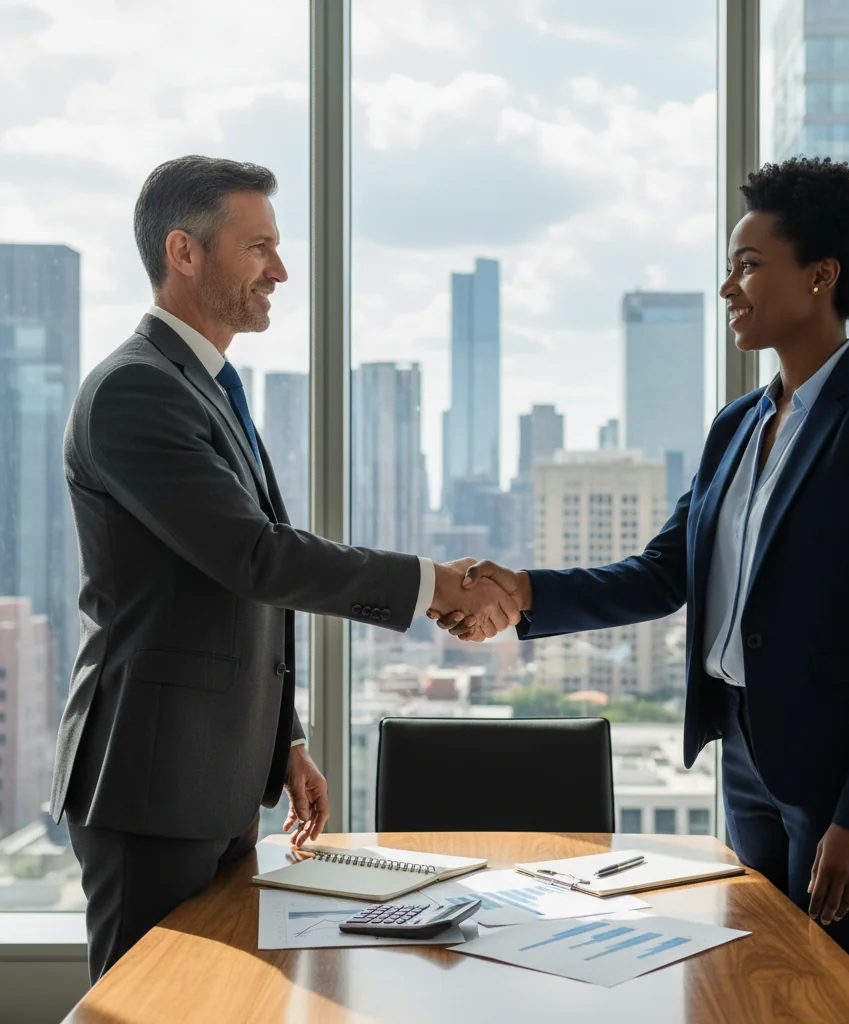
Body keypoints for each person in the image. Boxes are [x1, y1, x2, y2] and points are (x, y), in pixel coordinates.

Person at [431, 156, 849, 998]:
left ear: (821, 277)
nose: (728, 289)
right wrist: (524, 591)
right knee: (753, 993)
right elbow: (665, 571)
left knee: (836, 1002)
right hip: (749, 757)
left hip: (848, 774)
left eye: (749, 265)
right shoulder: (737, 425)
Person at [51, 155, 518, 983]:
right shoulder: (136, 390)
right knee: (148, 1005)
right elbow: (257, 557)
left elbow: (219, 588)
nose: (281, 270)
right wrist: (435, 585)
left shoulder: (202, 385)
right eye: (258, 247)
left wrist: (283, 739)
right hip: (152, 784)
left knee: (214, 1003)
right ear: (184, 253)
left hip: (208, 776)